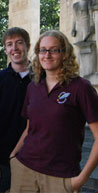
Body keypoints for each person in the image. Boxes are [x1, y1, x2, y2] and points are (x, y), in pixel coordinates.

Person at [9, 30, 98, 193]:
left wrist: (81, 179)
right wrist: (14, 156)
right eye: (43, 50)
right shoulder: (33, 87)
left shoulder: (81, 87)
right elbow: (30, 128)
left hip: (61, 177)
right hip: (24, 170)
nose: (47, 55)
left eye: (54, 50)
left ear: (65, 54)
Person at [0, 27, 31, 193]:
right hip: (2, 160)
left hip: (35, 160)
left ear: (28, 46)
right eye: (9, 44)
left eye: (19, 43)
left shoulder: (42, 79)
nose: (15, 48)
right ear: (5, 49)